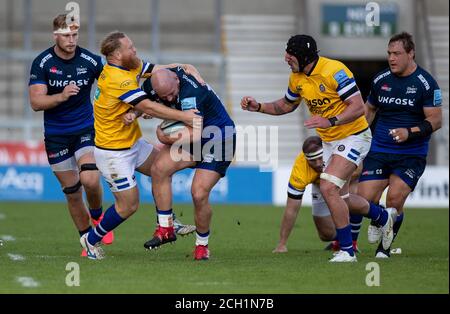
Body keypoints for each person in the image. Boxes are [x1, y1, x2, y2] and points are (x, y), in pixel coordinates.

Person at [241, 34, 397, 262]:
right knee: (341, 197)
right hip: (329, 142)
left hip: (354, 136)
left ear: (304, 57)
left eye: (290, 54)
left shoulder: (334, 71)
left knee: (327, 187)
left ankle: (347, 250)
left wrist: (331, 121)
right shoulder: (297, 77)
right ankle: (383, 217)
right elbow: (286, 105)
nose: (286, 58)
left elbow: (357, 107)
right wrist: (259, 107)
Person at [79, 31, 203, 259]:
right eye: (130, 47)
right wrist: (185, 117)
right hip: (113, 153)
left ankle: (167, 223)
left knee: (163, 168)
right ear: (117, 54)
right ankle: (90, 240)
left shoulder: (131, 65)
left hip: (132, 144)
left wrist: (185, 66)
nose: (134, 50)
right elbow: (150, 107)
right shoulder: (117, 79)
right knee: (128, 205)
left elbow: (160, 70)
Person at [28, 14, 113, 256]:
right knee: (73, 193)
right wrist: (62, 96)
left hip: (85, 129)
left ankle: (98, 218)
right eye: (66, 35)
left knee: (91, 180)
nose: (72, 40)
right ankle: (88, 242)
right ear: (56, 35)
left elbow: (113, 84)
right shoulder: (42, 63)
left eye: (75, 34)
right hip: (56, 135)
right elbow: (35, 102)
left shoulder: (90, 60)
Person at [134, 68, 236, 260]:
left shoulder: (192, 93)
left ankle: (202, 246)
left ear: (177, 81)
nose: (170, 98)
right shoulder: (155, 84)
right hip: (192, 137)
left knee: (198, 193)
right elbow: (146, 104)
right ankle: (166, 228)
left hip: (218, 139)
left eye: (172, 94)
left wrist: (164, 137)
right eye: (164, 96)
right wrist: (134, 114)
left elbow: (194, 134)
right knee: (159, 168)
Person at [358, 32, 442, 258]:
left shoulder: (426, 83)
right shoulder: (380, 80)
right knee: (363, 200)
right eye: (389, 54)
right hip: (380, 149)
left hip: (411, 154)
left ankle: (384, 249)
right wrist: (358, 137)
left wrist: (409, 132)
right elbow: (369, 110)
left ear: (411, 53)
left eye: (397, 53)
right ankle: (380, 218)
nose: (391, 58)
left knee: (394, 200)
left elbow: (436, 120)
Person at [272, 136, 361, 254]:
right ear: (306, 159)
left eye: (320, 158)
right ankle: (341, 239)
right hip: (319, 183)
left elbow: (358, 170)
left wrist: (337, 182)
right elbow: (291, 209)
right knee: (326, 234)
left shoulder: (338, 151)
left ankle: (379, 217)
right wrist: (282, 244)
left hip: (343, 179)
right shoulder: (300, 170)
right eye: (313, 161)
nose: (318, 164)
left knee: (351, 200)